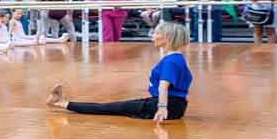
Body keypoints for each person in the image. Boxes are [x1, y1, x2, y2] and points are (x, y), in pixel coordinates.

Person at [48, 21, 191, 123]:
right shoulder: (179, 59)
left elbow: (163, 86)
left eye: (157, 33)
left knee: (107, 108)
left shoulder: (170, 61)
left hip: (165, 105)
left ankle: (61, 103)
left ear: (167, 38)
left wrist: (162, 108)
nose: (153, 36)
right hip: (175, 106)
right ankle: (62, 102)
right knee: (113, 107)